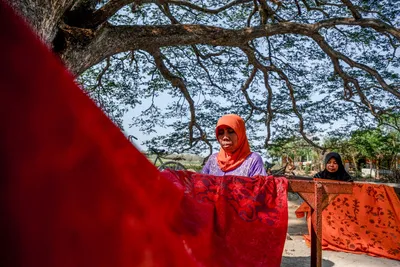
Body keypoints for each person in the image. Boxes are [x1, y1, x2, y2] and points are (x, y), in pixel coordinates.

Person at [202, 114, 266, 177]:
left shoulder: (253, 160)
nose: (225, 137)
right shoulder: (213, 160)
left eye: (231, 131)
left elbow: (260, 186)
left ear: (241, 134)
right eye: (221, 133)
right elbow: (200, 184)